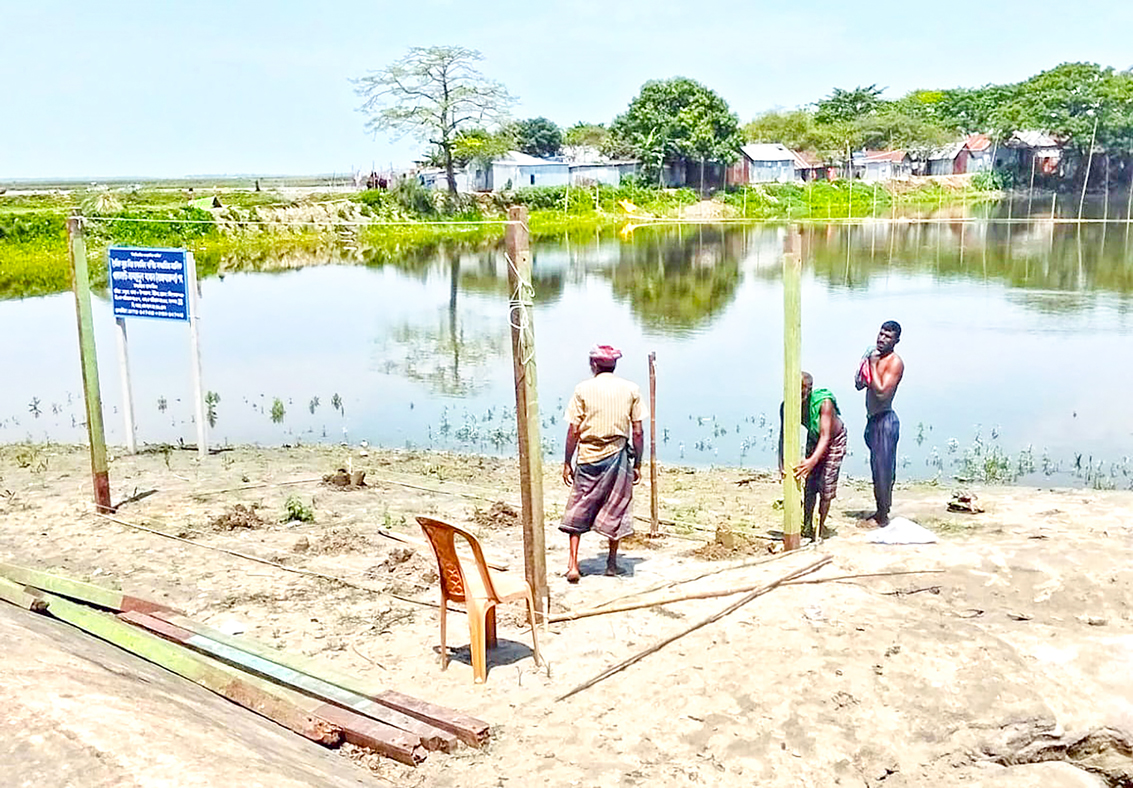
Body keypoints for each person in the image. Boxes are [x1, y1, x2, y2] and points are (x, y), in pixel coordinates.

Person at [559, 345, 644, 583]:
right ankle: (612, 564)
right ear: (614, 365)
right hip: (617, 455)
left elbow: (573, 430)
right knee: (616, 505)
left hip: (588, 455)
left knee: (578, 507)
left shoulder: (582, 389)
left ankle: (573, 565)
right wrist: (638, 463)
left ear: (593, 365)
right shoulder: (631, 389)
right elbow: (638, 432)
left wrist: (567, 461)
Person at [778, 372, 848, 540]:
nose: (800, 395)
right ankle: (807, 525)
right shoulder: (787, 406)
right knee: (810, 485)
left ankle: (821, 528)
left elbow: (825, 436)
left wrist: (812, 461)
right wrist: (781, 463)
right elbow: (783, 435)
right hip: (814, 436)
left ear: (809, 390)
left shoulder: (824, 403)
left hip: (834, 439)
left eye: (804, 391)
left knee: (826, 485)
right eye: (796, 390)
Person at [855, 320, 905, 527]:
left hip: (885, 421)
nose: (882, 339)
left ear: (896, 341)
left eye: (888, 336)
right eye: (881, 334)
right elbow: (859, 384)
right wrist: (865, 364)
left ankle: (882, 516)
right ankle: (881, 509)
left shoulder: (895, 362)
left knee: (884, 471)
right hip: (872, 420)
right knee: (877, 468)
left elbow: (882, 393)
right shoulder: (872, 355)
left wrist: (874, 365)